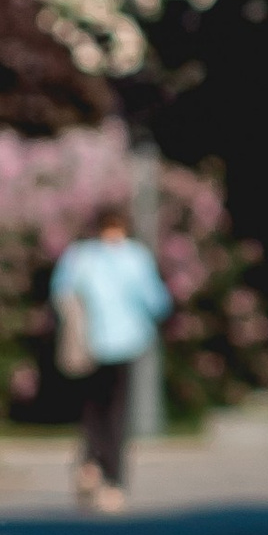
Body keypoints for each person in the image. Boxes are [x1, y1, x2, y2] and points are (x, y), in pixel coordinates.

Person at [50, 197, 170, 511]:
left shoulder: (80, 256)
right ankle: (112, 481)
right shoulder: (134, 257)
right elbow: (156, 300)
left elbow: (60, 292)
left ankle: (90, 463)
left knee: (93, 410)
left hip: (91, 343)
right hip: (124, 343)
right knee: (115, 414)